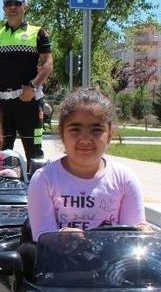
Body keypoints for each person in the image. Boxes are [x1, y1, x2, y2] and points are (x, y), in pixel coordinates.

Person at [27, 88, 147, 241]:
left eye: (96, 129)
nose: (85, 139)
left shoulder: (124, 179)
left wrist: (143, 230)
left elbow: (133, 235)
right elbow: (41, 236)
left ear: (110, 134)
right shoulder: (44, 179)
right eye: (75, 129)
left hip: (112, 262)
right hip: (60, 262)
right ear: (62, 133)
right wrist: (63, 236)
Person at [0, 0, 53, 161]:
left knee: (34, 153)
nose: (12, 7)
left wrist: (33, 86)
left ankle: (36, 187)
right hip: (1, 105)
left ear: (25, 6)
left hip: (29, 102)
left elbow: (48, 64)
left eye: (17, 3)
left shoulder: (38, 33)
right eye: (8, 3)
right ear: (4, 8)